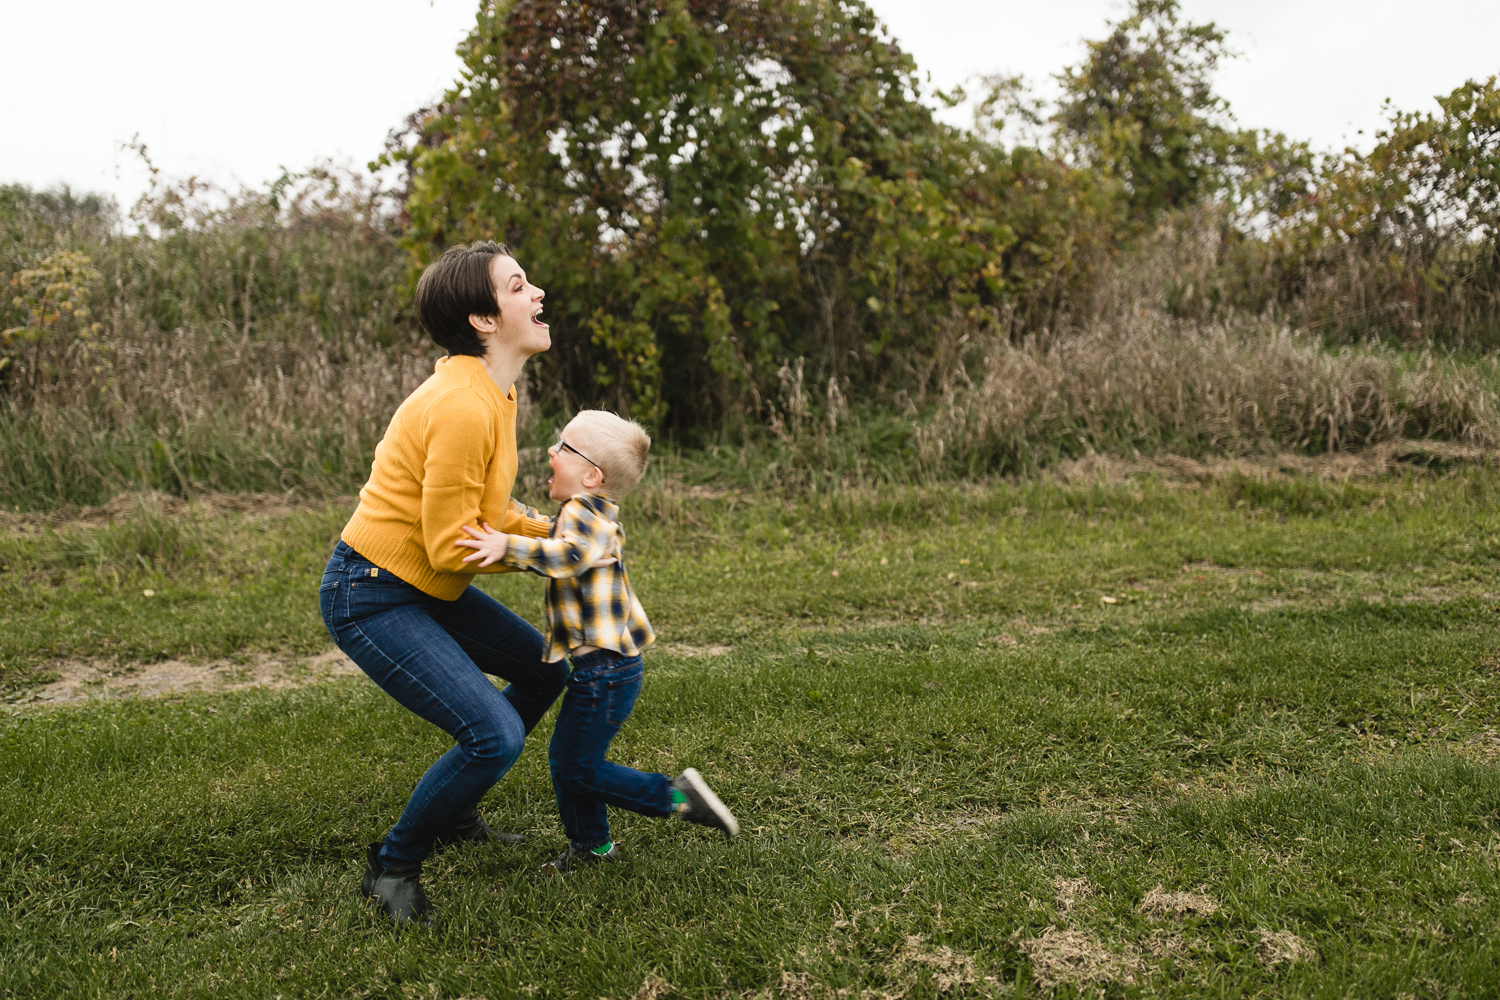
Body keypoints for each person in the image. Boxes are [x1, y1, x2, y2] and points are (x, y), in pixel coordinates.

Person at [318, 241, 564, 925]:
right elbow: (453, 544)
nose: (538, 293)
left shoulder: (493, 391)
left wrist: (561, 534)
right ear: (484, 319)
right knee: (493, 736)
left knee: (546, 670)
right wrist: (546, 558)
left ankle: (454, 811)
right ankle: (393, 867)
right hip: (371, 592)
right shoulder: (462, 403)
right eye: (519, 286)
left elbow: (486, 514)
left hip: (421, 585)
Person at [456, 409, 739, 874]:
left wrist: (505, 547)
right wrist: (505, 519)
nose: (551, 451)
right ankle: (592, 848)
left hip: (607, 673)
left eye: (564, 447)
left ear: (592, 475)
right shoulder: (577, 511)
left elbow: (568, 554)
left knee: (576, 767)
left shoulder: (590, 518)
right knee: (571, 761)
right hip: (599, 670)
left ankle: (675, 798)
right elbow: (549, 532)